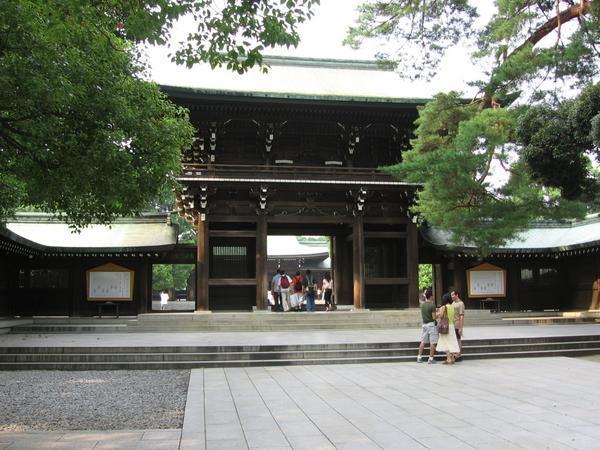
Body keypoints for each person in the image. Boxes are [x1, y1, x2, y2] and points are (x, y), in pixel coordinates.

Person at [436, 292, 460, 364]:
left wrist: (437, 312)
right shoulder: (453, 306)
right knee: (451, 342)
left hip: (445, 326)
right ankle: (452, 358)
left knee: (445, 342)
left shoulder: (443, 307)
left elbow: (440, 316)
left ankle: (448, 358)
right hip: (452, 325)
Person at [417, 288, 438, 364]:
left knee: (423, 341)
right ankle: (431, 358)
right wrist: (439, 314)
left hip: (424, 324)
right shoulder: (432, 305)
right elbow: (434, 317)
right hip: (431, 325)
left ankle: (419, 357)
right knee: (432, 342)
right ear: (431, 296)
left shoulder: (423, 305)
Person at [451, 290, 465, 360]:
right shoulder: (453, 303)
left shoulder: (461, 303)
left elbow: (461, 316)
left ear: (457, 295)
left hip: (457, 324)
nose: (452, 297)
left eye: (453, 295)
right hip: (452, 324)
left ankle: (458, 354)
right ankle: (454, 353)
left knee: (458, 339)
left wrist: (461, 328)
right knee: (454, 339)